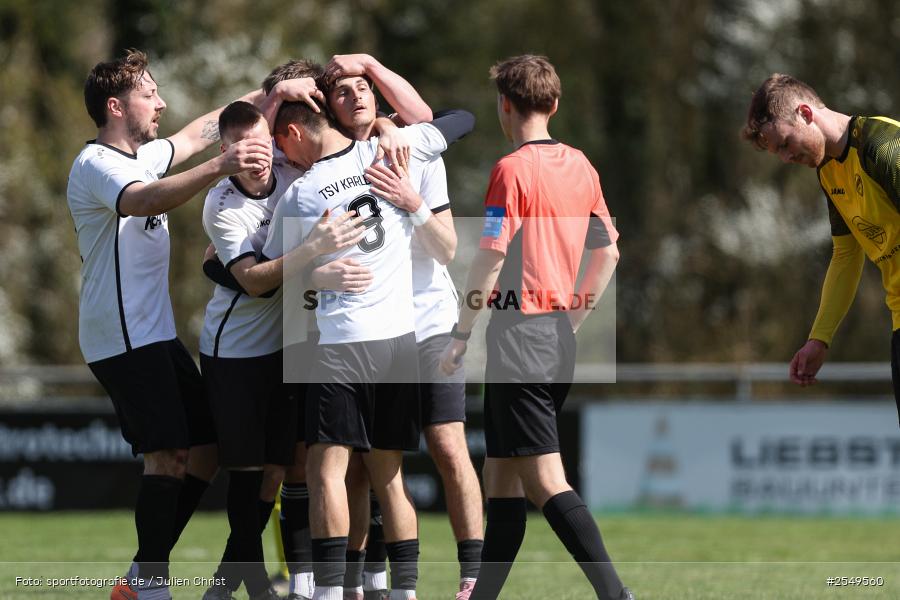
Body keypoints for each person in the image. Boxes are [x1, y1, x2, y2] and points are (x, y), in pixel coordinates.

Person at [66, 48, 310, 600]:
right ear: (115, 106)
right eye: (149, 94)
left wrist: (272, 96)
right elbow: (142, 200)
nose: (161, 103)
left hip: (153, 334)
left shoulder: (142, 156)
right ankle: (151, 586)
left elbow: (203, 129)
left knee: (205, 449)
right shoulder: (97, 165)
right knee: (169, 455)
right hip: (121, 338)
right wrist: (221, 166)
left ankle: (140, 577)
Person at [263, 98, 473, 600]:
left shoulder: (303, 191)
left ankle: (328, 592)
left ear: (295, 133)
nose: (283, 156)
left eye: (281, 144)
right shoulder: (390, 152)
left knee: (326, 471)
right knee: (389, 475)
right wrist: (390, 128)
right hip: (400, 343)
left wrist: (313, 269)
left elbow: (268, 272)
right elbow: (463, 119)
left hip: (342, 344)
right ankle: (404, 592)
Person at [439, 55, 632, 600]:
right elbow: (608, 252)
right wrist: (573, 318)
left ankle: (617, 595)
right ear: (555, 104)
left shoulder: (512, 170)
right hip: (553, 336)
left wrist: (460, 333)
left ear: (504, 105)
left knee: (546, 480)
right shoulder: (581, 165)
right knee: (500, 477)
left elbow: (491, 256)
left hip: (519, 337)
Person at [319, 54, 484, 600]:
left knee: (447, 445)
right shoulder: (324, 171)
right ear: (330, 109)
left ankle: (473, 576)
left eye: (364, 86)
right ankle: (360, 580)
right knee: (363, 464)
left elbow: (447, 247)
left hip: (429, 321)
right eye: (342, 91)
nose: (356, 96)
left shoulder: (412, 148)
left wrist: (412, 202)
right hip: (371, 329)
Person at [198, 100, 365, 600]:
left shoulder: (295, 174)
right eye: (242, 149)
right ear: (225, 151)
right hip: (235, 352)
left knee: (279, 473)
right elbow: (254, 283)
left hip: (286, 347)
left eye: (261, 145)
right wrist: (313, 254)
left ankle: (247, 586)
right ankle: (242, 586)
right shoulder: (222, 205)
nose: (256, 157)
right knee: (249, 476)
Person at [742, 74, 900, 418]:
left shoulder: (884, 146)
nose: (786, 158)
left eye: (785, 143)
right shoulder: (829, 173)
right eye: (778, 153)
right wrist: (819, 338)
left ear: (805, 113)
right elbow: (846, 256)